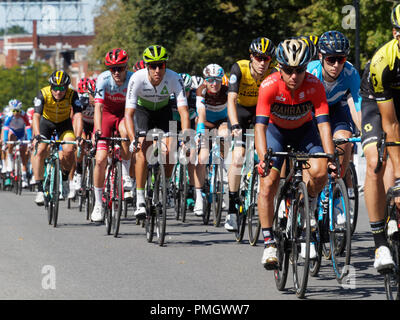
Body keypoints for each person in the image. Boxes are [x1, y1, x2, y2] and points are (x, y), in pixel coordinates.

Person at [255, 38, 336, 269]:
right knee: (269, 181)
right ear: (279, 67)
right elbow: (260, 127)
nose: (294, 76)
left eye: (299, 70)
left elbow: (323, 125)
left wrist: (330, 158)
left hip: (305, 132)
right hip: (275, 132)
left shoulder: (314, 85)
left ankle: (308, 209)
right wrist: (263, 159)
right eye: (288, 70)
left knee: (320, 172)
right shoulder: (268, 86)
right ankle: (269, 242)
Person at [357, 4, 400, 272]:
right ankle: (380, 244)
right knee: (376, 162)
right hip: (378, 103)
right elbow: (391, 122)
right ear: (397, 34)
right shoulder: (383, 60)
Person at [124, 44, 190, 218]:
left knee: (170, 150)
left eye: (161, 65)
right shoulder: (137, 79)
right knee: (140, 151)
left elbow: (183, 111)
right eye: (152, 66)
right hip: (143, 112)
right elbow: (128, 114)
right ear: (147, 66)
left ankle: (166, 186)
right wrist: (132, 139)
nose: (157, 70)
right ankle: (139, 199)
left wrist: (186, 137)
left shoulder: (174, 78)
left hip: (163, 112)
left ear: (165, 65)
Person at [226, 36, 277, 231]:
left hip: (262, 114)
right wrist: (235, 125)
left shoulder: (274, 72)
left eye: (266, 59)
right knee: (238, 156)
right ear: (251, 57)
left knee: (268, 155)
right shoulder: (239, 68)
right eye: (258, 58)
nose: (262, 63)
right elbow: (231, 100)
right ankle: (231, 208)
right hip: (241, 111)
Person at [307, 31, 361, 198]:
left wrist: (365, 132)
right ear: (321, 56)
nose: (336, 65)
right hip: (312, 110)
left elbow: (356, 105)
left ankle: (337, 187)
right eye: (331, 59)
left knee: (345, 139)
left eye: (341, 59)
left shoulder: (350, 73)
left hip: (336, 109)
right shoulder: (310, 72)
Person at [91, 48, 133, 222]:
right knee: (100, 159)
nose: (116, 72)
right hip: (107, 116)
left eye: (120, 68)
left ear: (126, 67)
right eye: (112, 68)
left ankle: (125, 175)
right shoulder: (103, 79)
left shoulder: (132, 79)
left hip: (124, 115)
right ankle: (98, 204)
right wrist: (97, 130)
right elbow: (98, 107)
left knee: (125, 133)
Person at [32, 70, 83, 205]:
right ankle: (39, 189)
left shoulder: (73, 95)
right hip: (46, 124)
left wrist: (78, 136)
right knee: (41, 150)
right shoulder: (43, 93)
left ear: (67, 87)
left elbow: (78, 116)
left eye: (62, 88)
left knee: (69, 149)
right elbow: (36, 116)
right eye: (55, 88)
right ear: (51, 87)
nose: (58, 92)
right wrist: (37, 135)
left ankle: (65, 179)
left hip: (64, 124)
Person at [193, 63, 229, 216]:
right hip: (205, 122)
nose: (214, 84)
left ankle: (225, 180)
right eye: (210, 80)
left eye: (217, 80)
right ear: (205, 80)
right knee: (202, 158)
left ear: (222, 80)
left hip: (222, 122)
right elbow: (201, 112)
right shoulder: (201, 91)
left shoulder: (227, 92)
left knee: (225, 135)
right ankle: (199, 199)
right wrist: (200, 132)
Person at [2, 99, 32, 188]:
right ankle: (10, 156)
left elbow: (28, 126)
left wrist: (30, 139)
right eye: (14, 111)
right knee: (10, 140)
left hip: (21, 133)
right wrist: (5, 140)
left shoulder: (23, 115)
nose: (16, 113)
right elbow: (6, 128)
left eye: (18, 111)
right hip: (13, 132)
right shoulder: (9, 116)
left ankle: (24, 177)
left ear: (20, 110)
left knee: (23, 153)